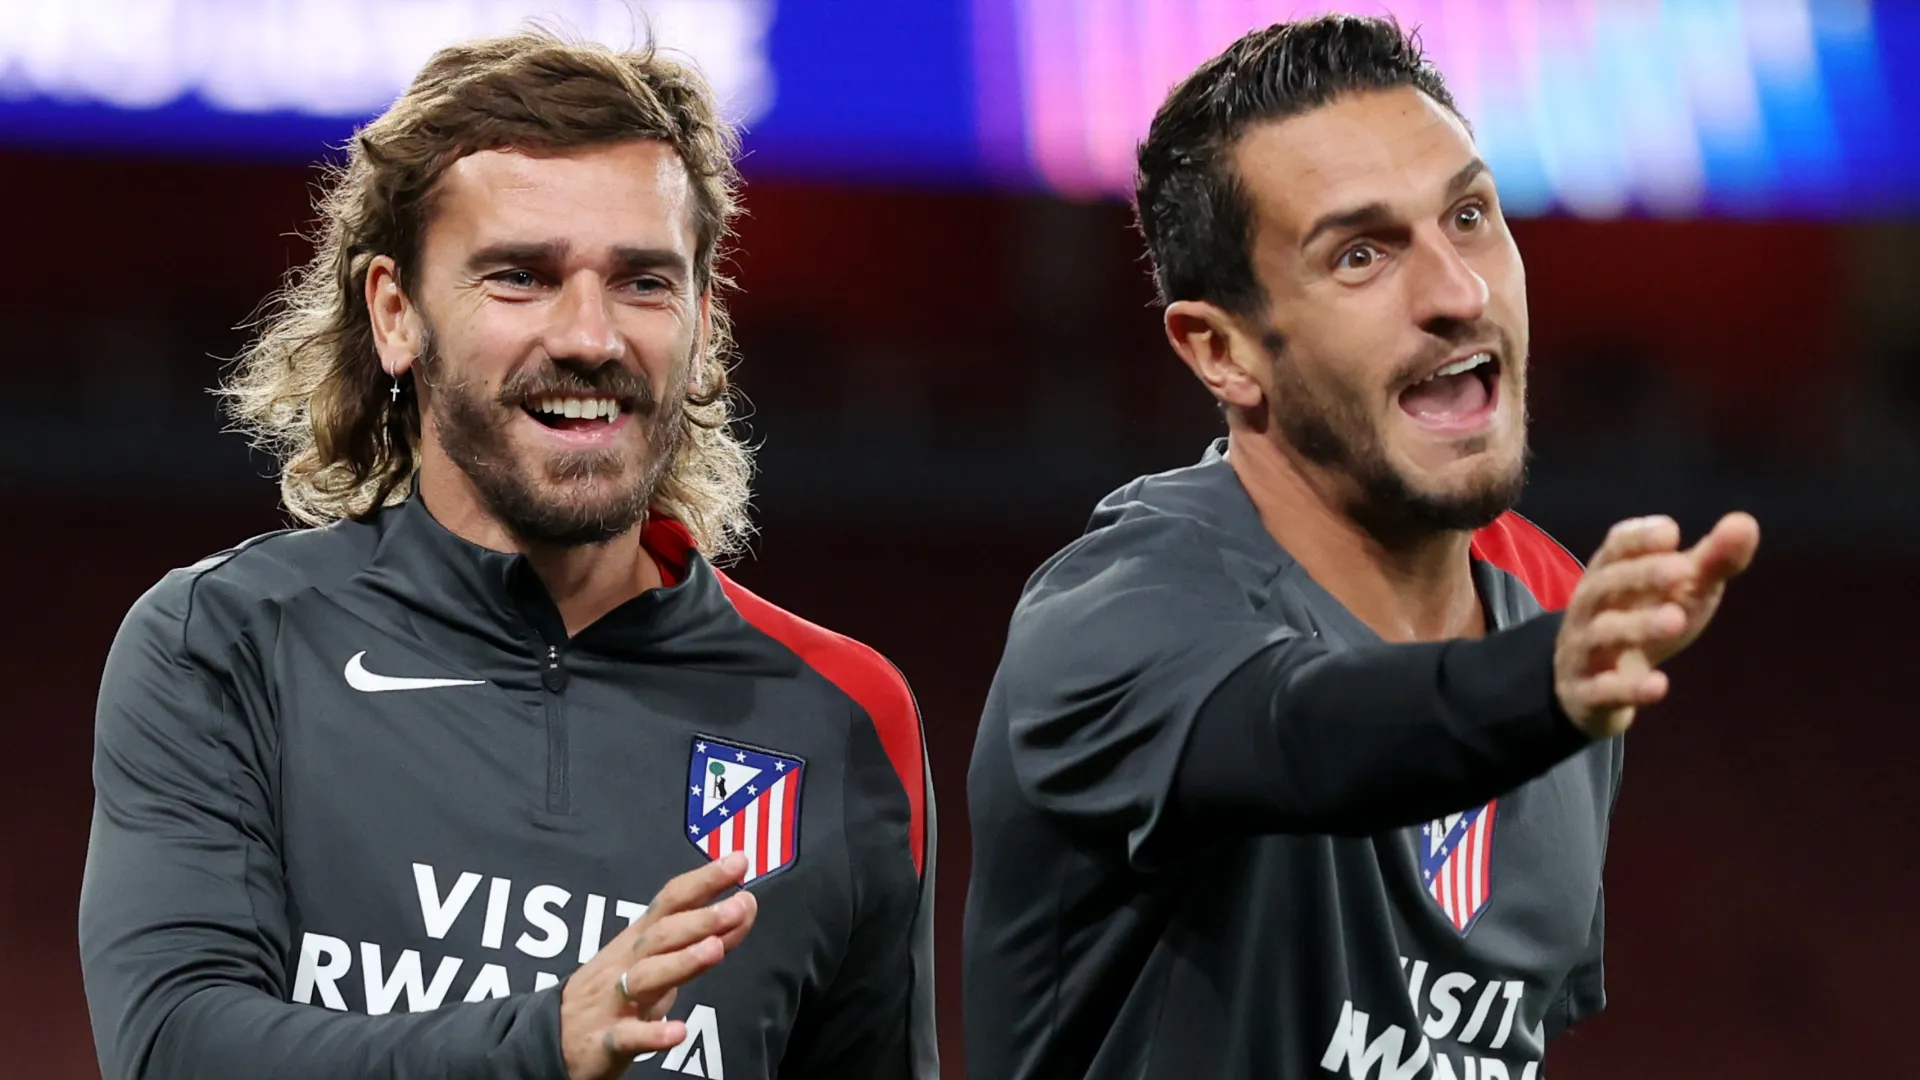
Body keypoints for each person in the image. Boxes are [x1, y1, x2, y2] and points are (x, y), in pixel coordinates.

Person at [79, 31, 935, 1080]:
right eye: (521, 277)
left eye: (644, 282)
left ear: (705, 325)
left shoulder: (845, 715)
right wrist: (545, 1041)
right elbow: (174, 1051)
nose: (591, 335)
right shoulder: (230, 643)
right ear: (396, 314)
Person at [962, 15, 1758, 1080]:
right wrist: (1538, 688)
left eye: (1470, 215)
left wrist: (1545, 677)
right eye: (1362, 253)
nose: (1456, 293)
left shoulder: (1554, 610)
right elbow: (1302, 731)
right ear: (1223, 349)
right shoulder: (1115, 614)